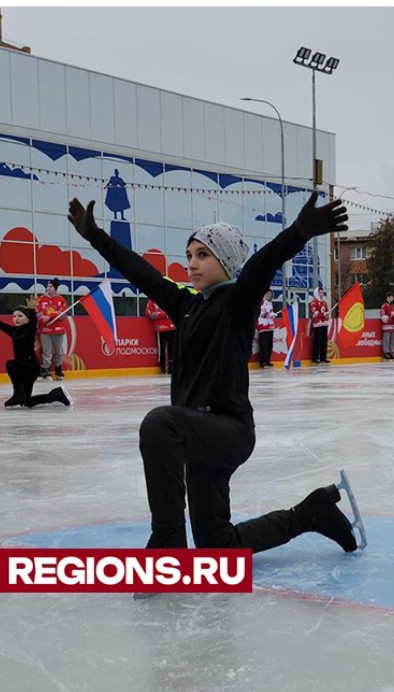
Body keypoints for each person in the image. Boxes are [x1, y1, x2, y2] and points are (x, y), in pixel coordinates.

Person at [66, 191, 360, 554]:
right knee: (216, 546)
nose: (191, 264)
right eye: (189, 255)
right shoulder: (185, 305)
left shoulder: (238, 301)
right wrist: (96, 236)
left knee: (160, 424)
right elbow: (140, 273)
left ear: (226, 259)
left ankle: (168, 545)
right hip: (196, 437)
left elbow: (263, 264)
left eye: (202, 255)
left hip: (228, 430)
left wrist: (299, 231)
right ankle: (310, 513)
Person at [0, 296, 72, 408]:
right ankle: (55, 395)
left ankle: (17, 393)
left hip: (31, 367)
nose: (16, 318)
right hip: (21, 370)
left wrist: (32, 310)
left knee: (10, 364)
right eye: (14, 316)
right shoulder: (13, 331)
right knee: (26, 402)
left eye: (20, 316)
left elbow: (33, 321)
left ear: (27, 318)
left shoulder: (30, 328)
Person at [36, 278, 68, 380]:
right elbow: (37, 311)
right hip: (44, 330)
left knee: (58, 351)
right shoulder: (41, 299)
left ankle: (58, 370)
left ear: (55, 288)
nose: (48, 288)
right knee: (46, 351)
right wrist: (43, 319)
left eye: (50, 286)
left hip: (58, 330)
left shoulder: (61, 300)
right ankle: (45, 369)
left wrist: (50, 317)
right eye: (47, 286)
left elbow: (62, 313)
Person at [146, 298, 175, 374]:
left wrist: (160, 314)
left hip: (172, 326)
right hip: (160, 327)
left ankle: (171, 367)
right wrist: (163, 315)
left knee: (172, 347)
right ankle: (163, 366)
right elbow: (149, 313)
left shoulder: (170, 298)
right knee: (162, 347)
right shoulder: (152, 300)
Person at [309, 287, 330, 364]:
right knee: (317, 341)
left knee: (324, 341)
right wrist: (323, 314)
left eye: (322, 292)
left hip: (324, 324)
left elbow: (327, 312)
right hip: (317, 325)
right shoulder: (313, 302)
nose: (322, 294)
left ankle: (323, 357)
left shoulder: (324, 303)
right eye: (320, 292)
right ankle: (315, 358)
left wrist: (327, 315)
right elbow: (315, 314)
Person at [256, 289, 276, 368]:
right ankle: (263, 362)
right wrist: (269, 314)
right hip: (263, 326)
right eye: (268, 293)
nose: (269, 295)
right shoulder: (262, 301)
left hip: (270, 326)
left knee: (269, 345)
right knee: (263, 345)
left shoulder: (270, 303)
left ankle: (268, 360)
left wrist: (273, 315)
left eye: (270, 294)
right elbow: (261, 313)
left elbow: (270, 313)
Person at [380, 294, 394, 360]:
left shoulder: (392, 306)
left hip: (392, 326)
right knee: (386, 339)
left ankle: (391, 352)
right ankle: (386, 352)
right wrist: (385, 318)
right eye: (391, 297)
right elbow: (382, 313)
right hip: (387, 325)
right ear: (388, 297)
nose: (392, 298)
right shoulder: (384, 305)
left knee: (392, 340)